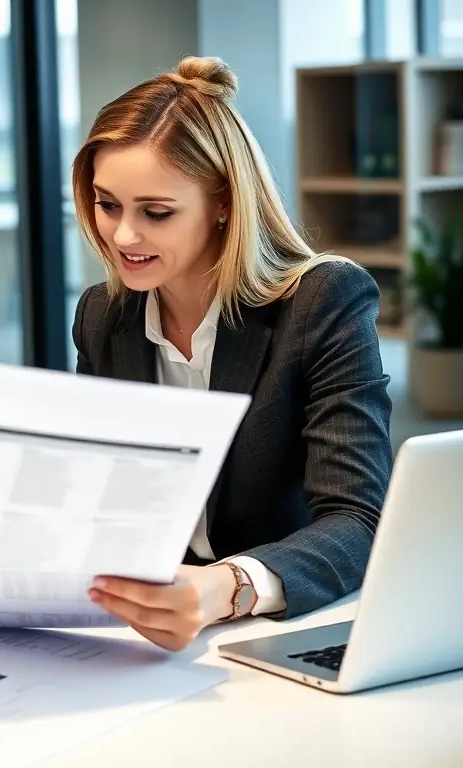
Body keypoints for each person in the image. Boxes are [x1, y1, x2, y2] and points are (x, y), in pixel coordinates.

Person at [71, 57, 392, 651]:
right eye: (107, 204)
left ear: (223, 202)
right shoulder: (102, 315)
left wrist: (225, 588)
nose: (121, 236)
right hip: (144, 633)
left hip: (285, 626)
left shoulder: (322, 303)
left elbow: (358, 522)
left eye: (156, 212)